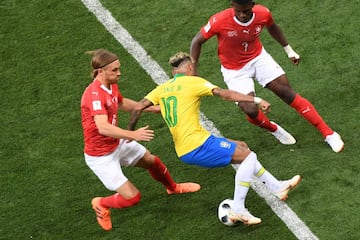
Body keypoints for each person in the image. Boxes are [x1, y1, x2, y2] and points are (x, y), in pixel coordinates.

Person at [129, 52, 301, 225]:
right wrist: (255, 99)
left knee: (242, 147)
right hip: (197, 144)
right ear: (190, 67)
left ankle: (277, 187)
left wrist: (130, 134)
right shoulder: (193, 81)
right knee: (248, 157)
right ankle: (238, 208)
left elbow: (138, 108)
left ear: (174, 71)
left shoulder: (162, 89)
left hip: (186, 146)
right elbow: (225, 94)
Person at [190, 0, 344, 152]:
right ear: (232, 6)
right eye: (238, 11)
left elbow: (273, 28)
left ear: (252, 5)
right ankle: (274, 129)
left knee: (287, 92)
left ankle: (329, 134)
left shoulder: (263, 13)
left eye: (246, 11)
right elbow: (197, 41)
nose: (242, 15)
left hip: (258, 59)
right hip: (234, 70)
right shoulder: (219, 20)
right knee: (250, 109)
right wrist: (193, 70)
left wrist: (289, 50)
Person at [80, 49, 201, 231]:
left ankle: (173, 187)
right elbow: (103, 127)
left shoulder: (110, 85)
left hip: (116, 142)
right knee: (132, 197)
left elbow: (121, 103)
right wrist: (133, 135)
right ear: (100, 71)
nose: (119, 73)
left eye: (119, 68)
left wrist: (154, 109)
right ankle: (101, 204)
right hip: (101, 156)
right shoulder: (93, 96)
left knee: (152, 161)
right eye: (114, 70)